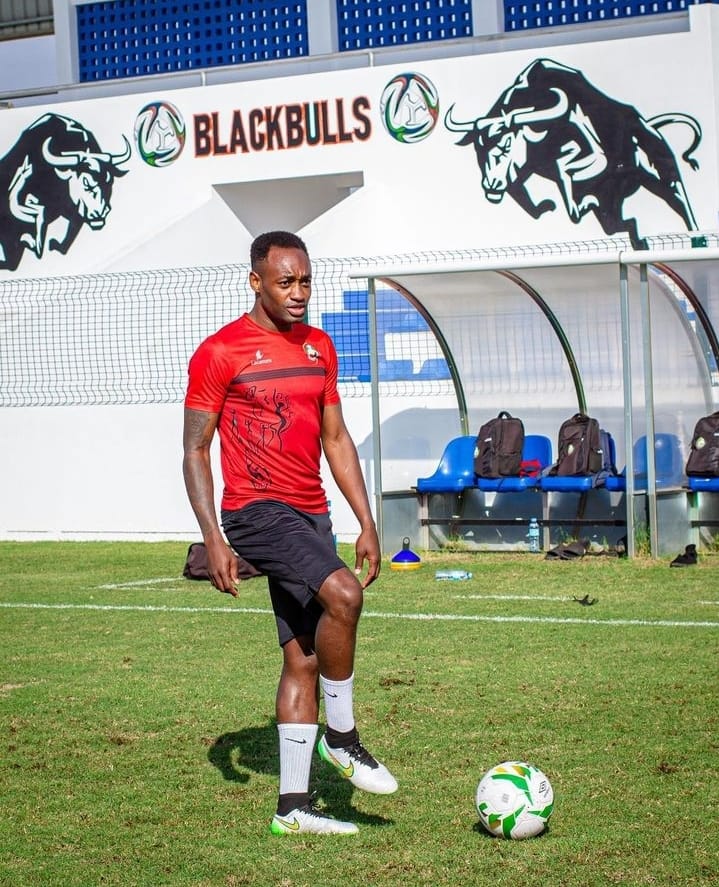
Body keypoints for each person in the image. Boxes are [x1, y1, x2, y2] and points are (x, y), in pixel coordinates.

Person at [182, 230, 397, 836]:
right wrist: (213, 536)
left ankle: (294, 809)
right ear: (257, 282)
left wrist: (366, 521)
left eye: (305, 281)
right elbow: (195, 450)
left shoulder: (319, 347)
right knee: (345, 595)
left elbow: (336, 438)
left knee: (303, 656)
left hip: (311, 514)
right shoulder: (220, 352)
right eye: (285, 282)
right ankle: (343, 737)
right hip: (255, 512)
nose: (298, 293)